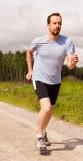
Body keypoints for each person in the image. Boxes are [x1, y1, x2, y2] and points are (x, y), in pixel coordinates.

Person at [26, 12, 78, 151]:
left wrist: (73, 62)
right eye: (54, 23)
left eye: (59, 23)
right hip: (39, 78)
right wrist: (30, 71)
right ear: (48, 25)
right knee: (46, 108)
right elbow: (29, 52)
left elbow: (70, 66)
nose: (57, 25)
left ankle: (44, 132)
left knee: (49, 112)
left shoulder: (67, 42)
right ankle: (39, 136)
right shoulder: (38, 41)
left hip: (55, 81)